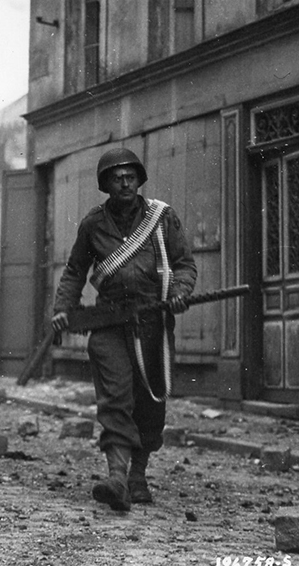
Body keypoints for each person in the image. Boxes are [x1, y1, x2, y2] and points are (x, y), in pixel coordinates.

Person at [51, 148, 197, 511]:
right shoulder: (93, 224)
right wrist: (62, 309)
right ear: (106, 184)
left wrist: (179, 292)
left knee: (151, 401)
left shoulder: (162, 218)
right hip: (110, 322)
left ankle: (138, 475)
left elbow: (184, 264)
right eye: (117, 177)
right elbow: (74, 271)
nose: (125, 182)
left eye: (130, 175)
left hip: (153, 320)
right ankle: (117, 476)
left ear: (139, 178)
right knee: (115, 397)